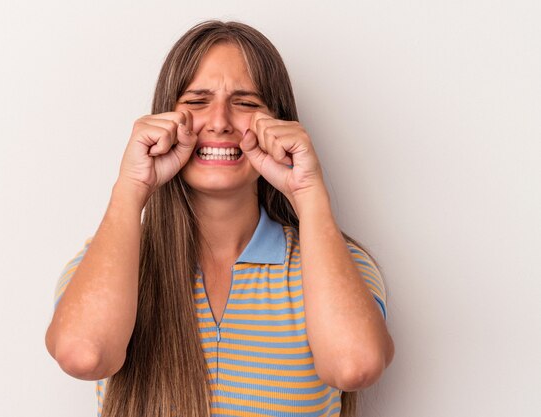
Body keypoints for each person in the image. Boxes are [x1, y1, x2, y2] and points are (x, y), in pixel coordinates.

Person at [45, 20, 394, 417]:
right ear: (164, 119)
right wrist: (130, 188)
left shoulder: (336, 262)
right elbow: (84, 355)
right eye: (196, 101)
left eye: (246, 103)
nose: (220, 121)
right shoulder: (109, 261)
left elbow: (354, 365)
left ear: (278, 124)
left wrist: (309, 194)